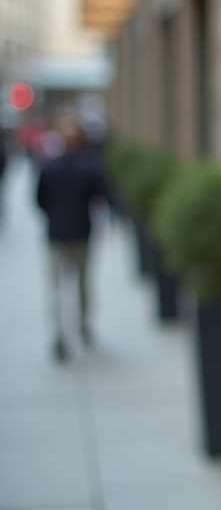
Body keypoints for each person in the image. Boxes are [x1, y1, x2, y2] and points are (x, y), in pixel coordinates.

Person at [36, 115, 108, 362]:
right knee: (82, 284)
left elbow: (39, 201)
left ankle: (59, 334)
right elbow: (101, 199)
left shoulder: (50, 167)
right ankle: (83, 325)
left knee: (56, 288)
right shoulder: (90, 167)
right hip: (81, 233)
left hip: (56, 234)